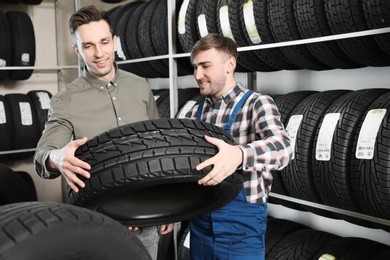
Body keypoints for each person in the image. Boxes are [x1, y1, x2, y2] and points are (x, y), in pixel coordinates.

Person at [33, 5, 173, 259]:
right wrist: (57, 158)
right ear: (77, 50)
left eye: (104, 42)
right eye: (88, 46)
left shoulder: (140, 86)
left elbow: (156, 150)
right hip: (98, 220)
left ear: (114, 41)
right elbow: (43, 155)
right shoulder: (65, 100)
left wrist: (167, 205)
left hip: (147, 214)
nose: (99, 53)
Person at [184, 33, 293, 259]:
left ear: (229, 65)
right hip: (200, 222)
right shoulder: (195, 112)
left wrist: (240, 154)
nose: (198, 75)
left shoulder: (256, 104)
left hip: (241, 226)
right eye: (195, 67)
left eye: (205, 66)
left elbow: (284, 148)